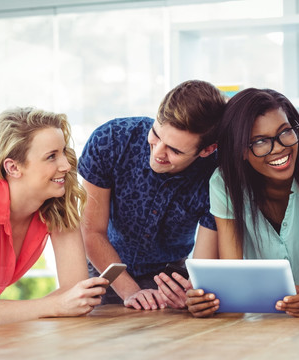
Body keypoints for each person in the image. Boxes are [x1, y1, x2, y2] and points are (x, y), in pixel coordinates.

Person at [181, 88, 299, 318]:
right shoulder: (224, 184)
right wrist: (207, 301)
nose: (280, 147)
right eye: (260, 141)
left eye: (285, 132)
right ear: (241, 150)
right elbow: (235, 275)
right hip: (278, 288)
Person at [0, 107, 108, 339]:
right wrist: (58, 304)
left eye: (64, 152)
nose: (66, 165)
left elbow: (74, 292)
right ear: (13, 167)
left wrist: (68, 301)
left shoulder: (54, 202)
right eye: (51, 156)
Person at [78, 80, 226, 311]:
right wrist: (131, 291)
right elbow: (92, 231)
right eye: (156, 134)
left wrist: (193, 294)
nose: (157, 153)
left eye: (175, 150)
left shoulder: (217, 177)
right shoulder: (110, 140)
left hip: (169, 279)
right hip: (103, 267)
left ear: (207, 150)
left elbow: (204, 261)